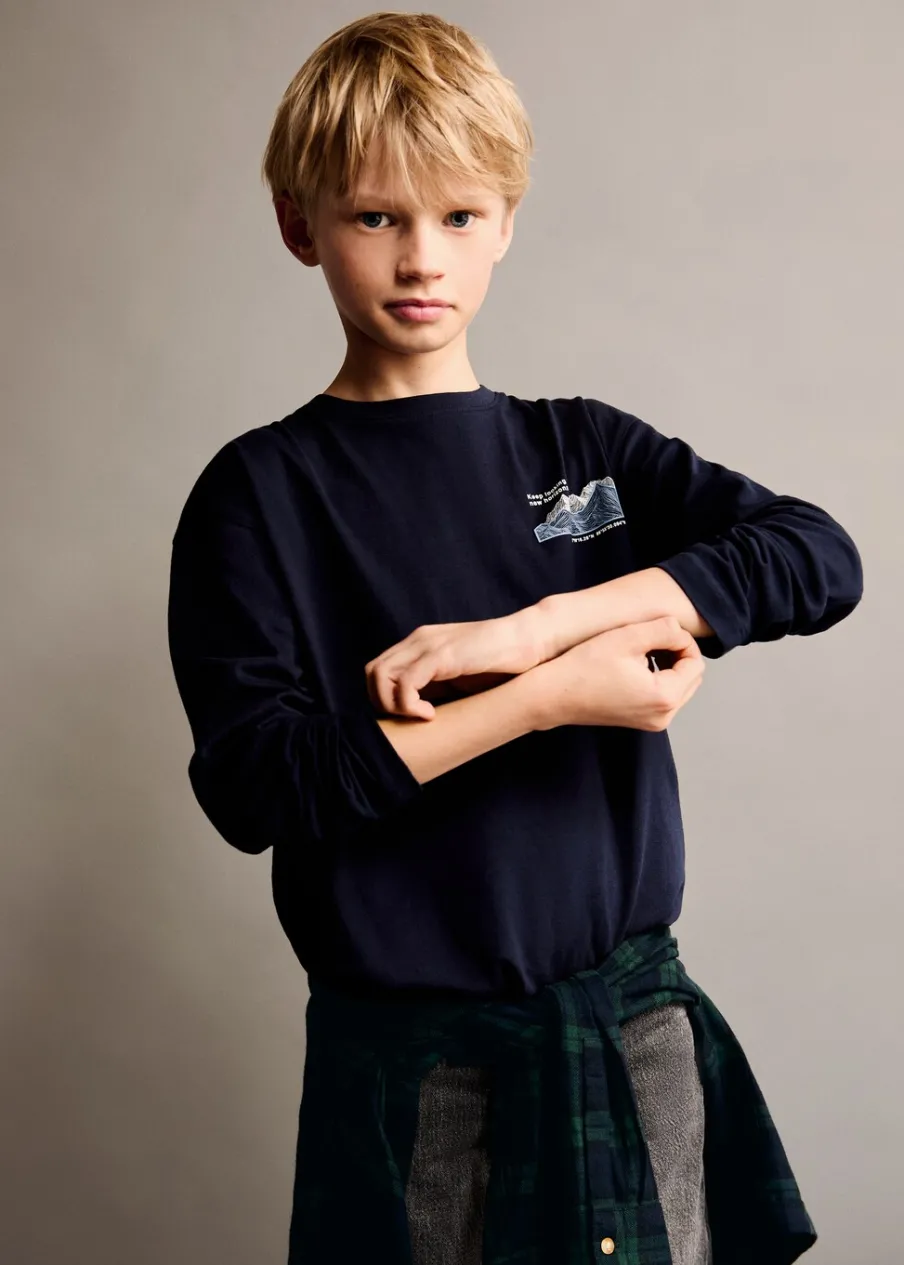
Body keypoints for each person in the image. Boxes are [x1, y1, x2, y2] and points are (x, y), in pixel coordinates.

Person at [166, 12, 863, 1264]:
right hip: (418, 1065)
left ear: (506, 224)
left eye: (459, 215)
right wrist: (543, 696)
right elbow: (257, 784)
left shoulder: (580, 451)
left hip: (633, 1033)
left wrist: (543, 624)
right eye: (375, 216)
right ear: (298, 224)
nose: (420, 256)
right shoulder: (259, 492)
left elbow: (817, 556)